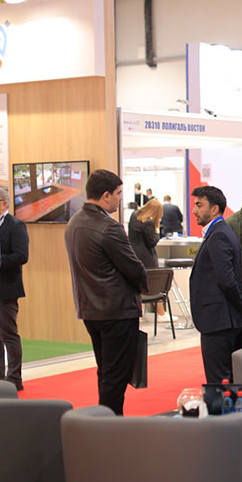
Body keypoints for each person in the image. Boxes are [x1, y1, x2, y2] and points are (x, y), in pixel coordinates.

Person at [65, 169, 147, 415]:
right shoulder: (108, 227)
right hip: (116, 311)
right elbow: (134, 269)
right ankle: (110, 423)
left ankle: (105, 420)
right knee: (115, 376)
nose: (121, 198)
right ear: (106, 195)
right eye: (119, 193)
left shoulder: (74, 222)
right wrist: (143, 287)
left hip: (90, 309)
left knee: (106, 371)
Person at [189, 186, 242, 384]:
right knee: (225, 379)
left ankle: (223, 407)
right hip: (222, 318)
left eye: (199, 205)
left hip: (218, 320)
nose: (194, 210)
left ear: (214, 209)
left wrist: (241, 303)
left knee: (219, 381)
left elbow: (226, 279)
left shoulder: (219, 234)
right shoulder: (220, 232)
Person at [0, 186, 15, 389]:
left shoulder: (15, 225)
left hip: (5, 288)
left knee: (6, 334)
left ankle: (12, 377)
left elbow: (20, 256)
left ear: (3, 203)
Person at [128, 198, 162, 269]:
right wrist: (157, 232)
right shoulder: (148, 222)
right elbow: (151, 242)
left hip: (133, 255)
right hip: (146, 258)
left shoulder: (134, 215)